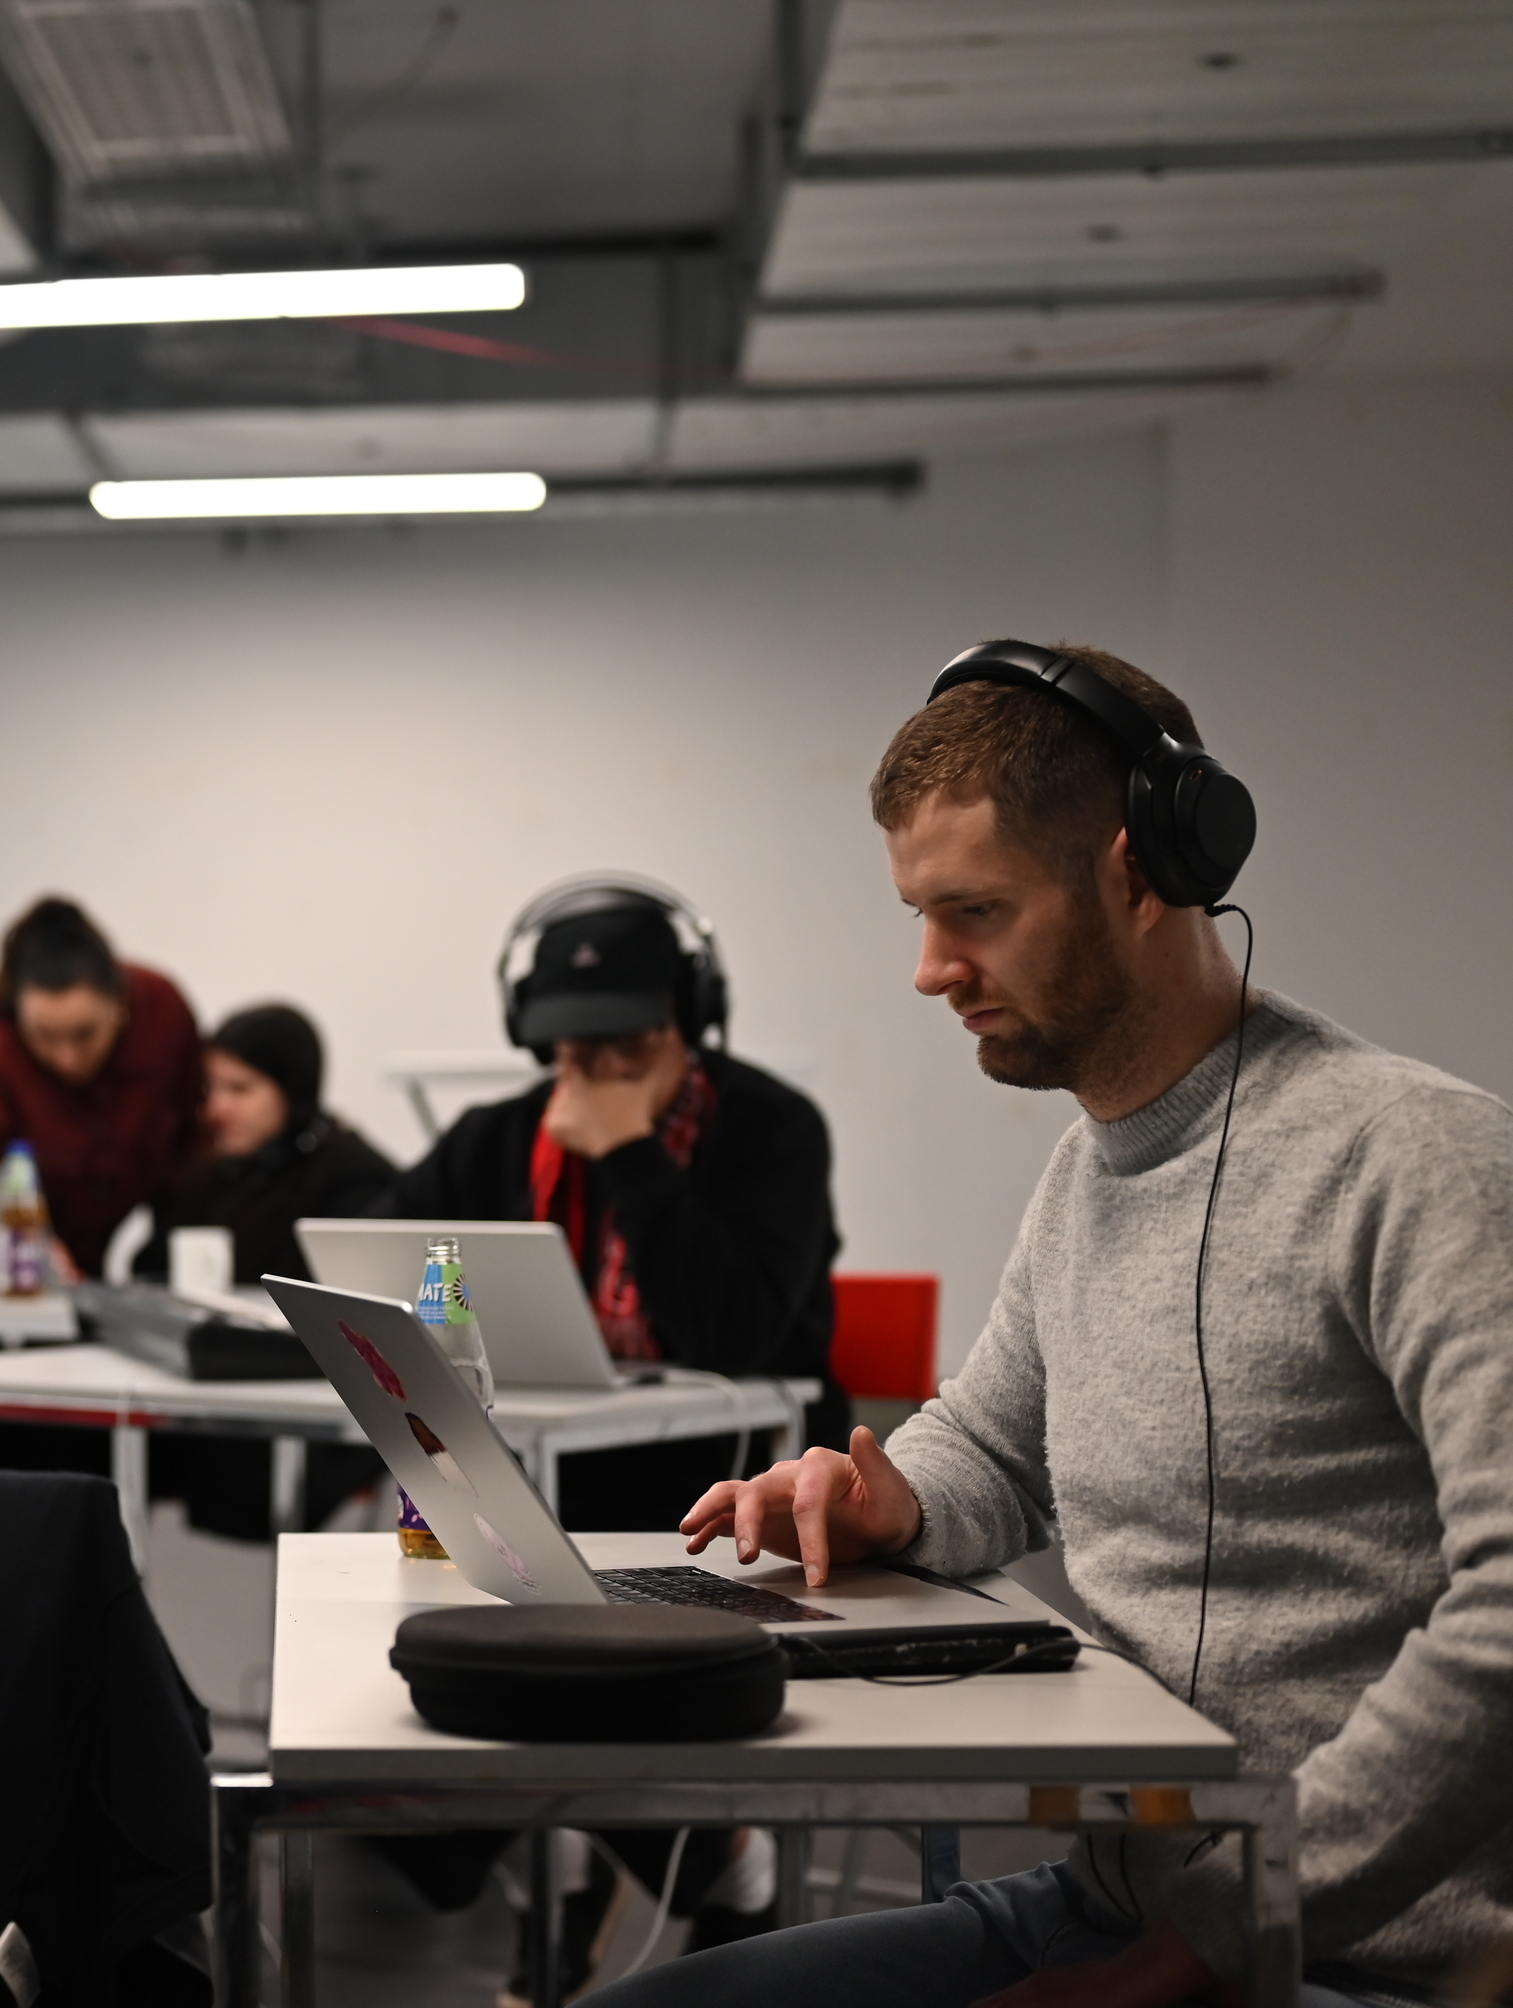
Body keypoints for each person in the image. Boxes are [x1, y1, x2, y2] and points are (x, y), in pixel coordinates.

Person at [598, 643, 1513, 2008]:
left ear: (1147, 872)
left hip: (1357, 1956)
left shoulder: (1417, 1160)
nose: (928, 970)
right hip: (1106, 1904)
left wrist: (1201, 1947)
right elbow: (999, 1449)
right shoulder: (1095, 1165)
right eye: (918, 913)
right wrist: (884, 1504)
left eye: (972, 912)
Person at [378, 878, 845, 1526]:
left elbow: (733, 1334)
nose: (604, 1070)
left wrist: (628, 1149)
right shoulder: (496, 1137)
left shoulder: (773, 1129)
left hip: (723, 1481)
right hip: (532, 1476)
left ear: (688, 1017)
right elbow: (375, 1262)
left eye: (631, 1044)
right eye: (576, 1047)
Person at [0, 897, 203, 1279]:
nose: (67, 1058)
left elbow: (192, 1151)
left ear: (120, 1005)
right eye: (43, 1036)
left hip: (99, 1278)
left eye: (85, 1035)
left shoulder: (164, 1015)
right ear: (16, 1014)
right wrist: (27, 1245)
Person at [135, 1003, 399, 1288]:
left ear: (292, 1091)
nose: (216, 1108)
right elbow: (147, 1274)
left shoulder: (357, 1181)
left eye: (240, 1089)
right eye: (211, 1088)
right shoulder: (208, 1175)